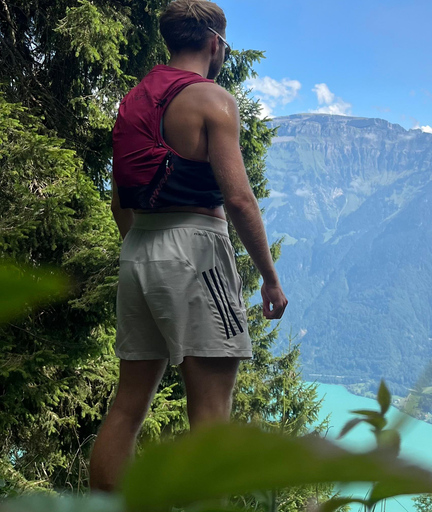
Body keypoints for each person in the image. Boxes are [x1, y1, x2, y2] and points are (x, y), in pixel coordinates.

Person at [89, 0, 287, 492]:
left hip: (139, 247)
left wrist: (145, 252)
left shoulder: (133, 101)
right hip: (196, 251)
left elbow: (119, 200)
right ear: (215, 43)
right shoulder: (212, 100)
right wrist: (269, 277)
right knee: (212, 415)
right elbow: (239, 199)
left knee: (127, 406)